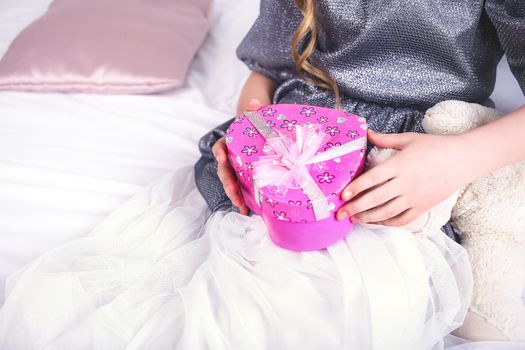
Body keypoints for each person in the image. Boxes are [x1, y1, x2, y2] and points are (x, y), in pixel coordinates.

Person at [0, 1, 523, 349]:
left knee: (339, 303)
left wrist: (457, 160)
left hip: (402, 160)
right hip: (291, 137)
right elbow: (268, 71)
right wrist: (250, 133)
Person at [196, 0, 525, 243]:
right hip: (297, 146)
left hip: (418, 167)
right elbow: (268, 73)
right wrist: (250, 145)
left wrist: (457, 160)